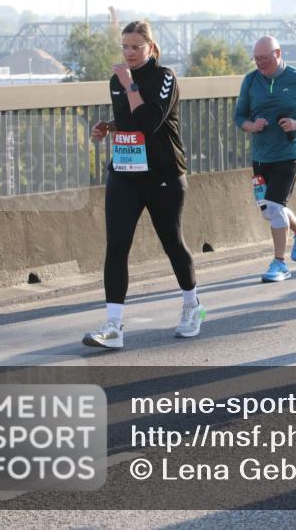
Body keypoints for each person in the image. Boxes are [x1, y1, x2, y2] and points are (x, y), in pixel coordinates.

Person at [84, 21, 202, 349]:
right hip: (125, 172)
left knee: (172, 243)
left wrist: (130, 85)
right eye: (125, 46)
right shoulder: (117, 80)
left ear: (150, 47)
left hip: (163, 174)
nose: (129, 53)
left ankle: (192, 305)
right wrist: (109, 126)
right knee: (116, 246)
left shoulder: (165, 77)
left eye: (136, 47)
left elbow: (150, 121)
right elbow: (130, 121)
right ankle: (113, 326)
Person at [235, 36, 296, 282]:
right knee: (268, 210)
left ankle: (279, 263)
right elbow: (239, 117)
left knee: (275, 207)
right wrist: (252, 126)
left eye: (264, 58)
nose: (260, 63)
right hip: (260, 155)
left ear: (278, 53)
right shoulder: (250, 81)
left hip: (288, 153)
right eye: (256, 59)